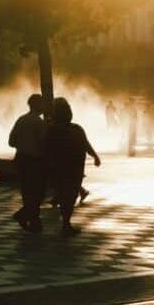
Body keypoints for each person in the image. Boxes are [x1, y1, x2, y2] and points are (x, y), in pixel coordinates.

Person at [44, 97, 101, 237]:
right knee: (69, 196)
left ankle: (66, 223)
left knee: (65, 195)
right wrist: (95, 156)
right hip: (73, 169)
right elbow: (86, 145)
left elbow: (46, 150)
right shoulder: (75, 129)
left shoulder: (51, 130)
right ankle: (66, 224)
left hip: (60, 169)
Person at [9, 94, 47, 232]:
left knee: (27, 192)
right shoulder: (39, 123)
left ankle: (33, 222)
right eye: (42, 104)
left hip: (20, 160)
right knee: (38, 192)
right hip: (35, 162)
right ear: (37, 105)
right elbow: (44, 144)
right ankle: (25, 216)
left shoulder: (21, 120)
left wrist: (23, 144)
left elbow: (11, 141)